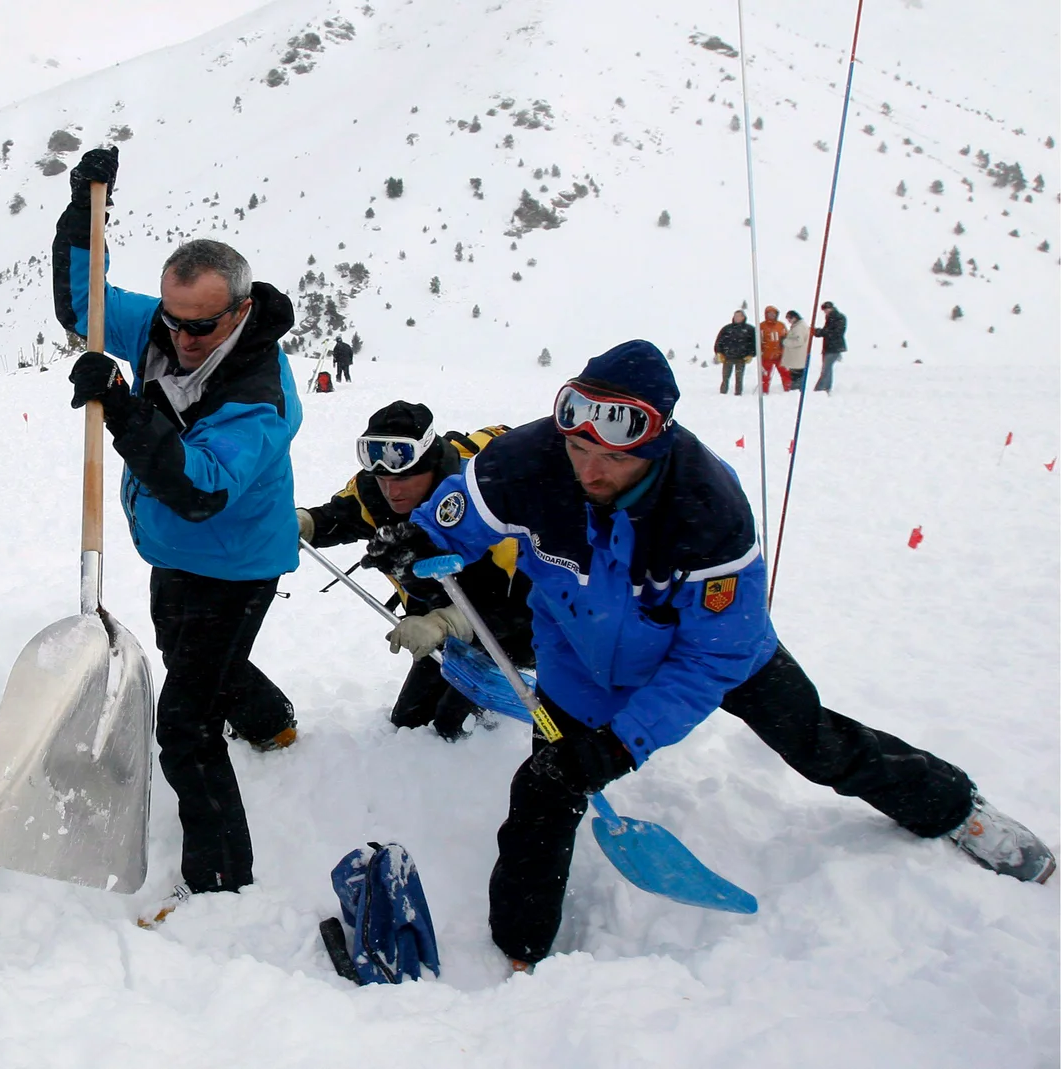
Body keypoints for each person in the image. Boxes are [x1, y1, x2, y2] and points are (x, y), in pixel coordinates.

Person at [389, 340, 1053, 969]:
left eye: (611, 458)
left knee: (819, 743)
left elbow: (711, 659)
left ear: (656, 443)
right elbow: (457, 513)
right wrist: (419, 547)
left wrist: (621, 746)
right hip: (581, 657)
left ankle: (954, 808)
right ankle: (520, 950)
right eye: (576, 446)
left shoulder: (706, 507)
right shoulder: (527, 461)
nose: (588, 469)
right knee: (544, 788)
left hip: (710, 650)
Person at [53, 146, 303, 916]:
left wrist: (124, 407)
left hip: (234, 562)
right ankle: (270, 720)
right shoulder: (165, 327)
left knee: (187, 725)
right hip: (172, 550)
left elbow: (197, 488)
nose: (184, 339)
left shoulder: (261, 395)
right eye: (173, 321)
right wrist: (82, 209)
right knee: (192, 658)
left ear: (241, 310)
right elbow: (82, 303)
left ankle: (221, 876)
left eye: (202, 326)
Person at [297, 401, 531, 738]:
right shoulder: (373, 493)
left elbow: (521, 600)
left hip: (512, 626)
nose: (392, 490)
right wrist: (305, 523)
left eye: (405, 478)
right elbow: (337, 518)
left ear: (432, 465)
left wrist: (448, 622)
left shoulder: (481, 500)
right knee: (412, 722)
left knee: (453, 724)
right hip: (433, 619)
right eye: (382, 478)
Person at [711, 309, 755, 396]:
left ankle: (738, 393)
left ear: (743, 317)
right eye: (735, 316)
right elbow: (719, 341)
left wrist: (751, 354)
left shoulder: (750, 329)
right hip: (728, 357)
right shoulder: (727, 329)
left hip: (742, 358)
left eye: (739, 316)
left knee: (739, 377)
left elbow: (754, 343)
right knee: (725, 376)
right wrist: (719, 352)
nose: (737, 318)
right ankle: (723, 393)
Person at [816, 300, 847, 392]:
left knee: (826, 368)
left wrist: (821, 332)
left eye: (826, 310)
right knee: (827, 368)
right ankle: (825, 387)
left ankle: (822, 388)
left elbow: (835, 333)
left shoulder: (838, 318)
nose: (825, 312)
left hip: (833, 347)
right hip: (829, 347)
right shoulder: (831, 317)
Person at [757, 305, 789, 392]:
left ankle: (788, 389)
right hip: (766, 355)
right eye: (769, 313)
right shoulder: (761, 326)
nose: (771, 315)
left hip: (780, 355)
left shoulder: (781, 325)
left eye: (773, 313)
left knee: (785, 373)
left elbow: (787, 337)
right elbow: (758, 340)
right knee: (765, 375)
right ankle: (764, 390)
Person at [783, 309, 811, 391]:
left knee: (796, 375)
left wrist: (785, 341)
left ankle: (796, 390)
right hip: (798, 356)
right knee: (797, 374)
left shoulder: (799, 327)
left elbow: (799, 341)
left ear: (795, 318)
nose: (789, 321)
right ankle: (797, 388)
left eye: (789, 319)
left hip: (798, 356)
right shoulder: (799, 326)